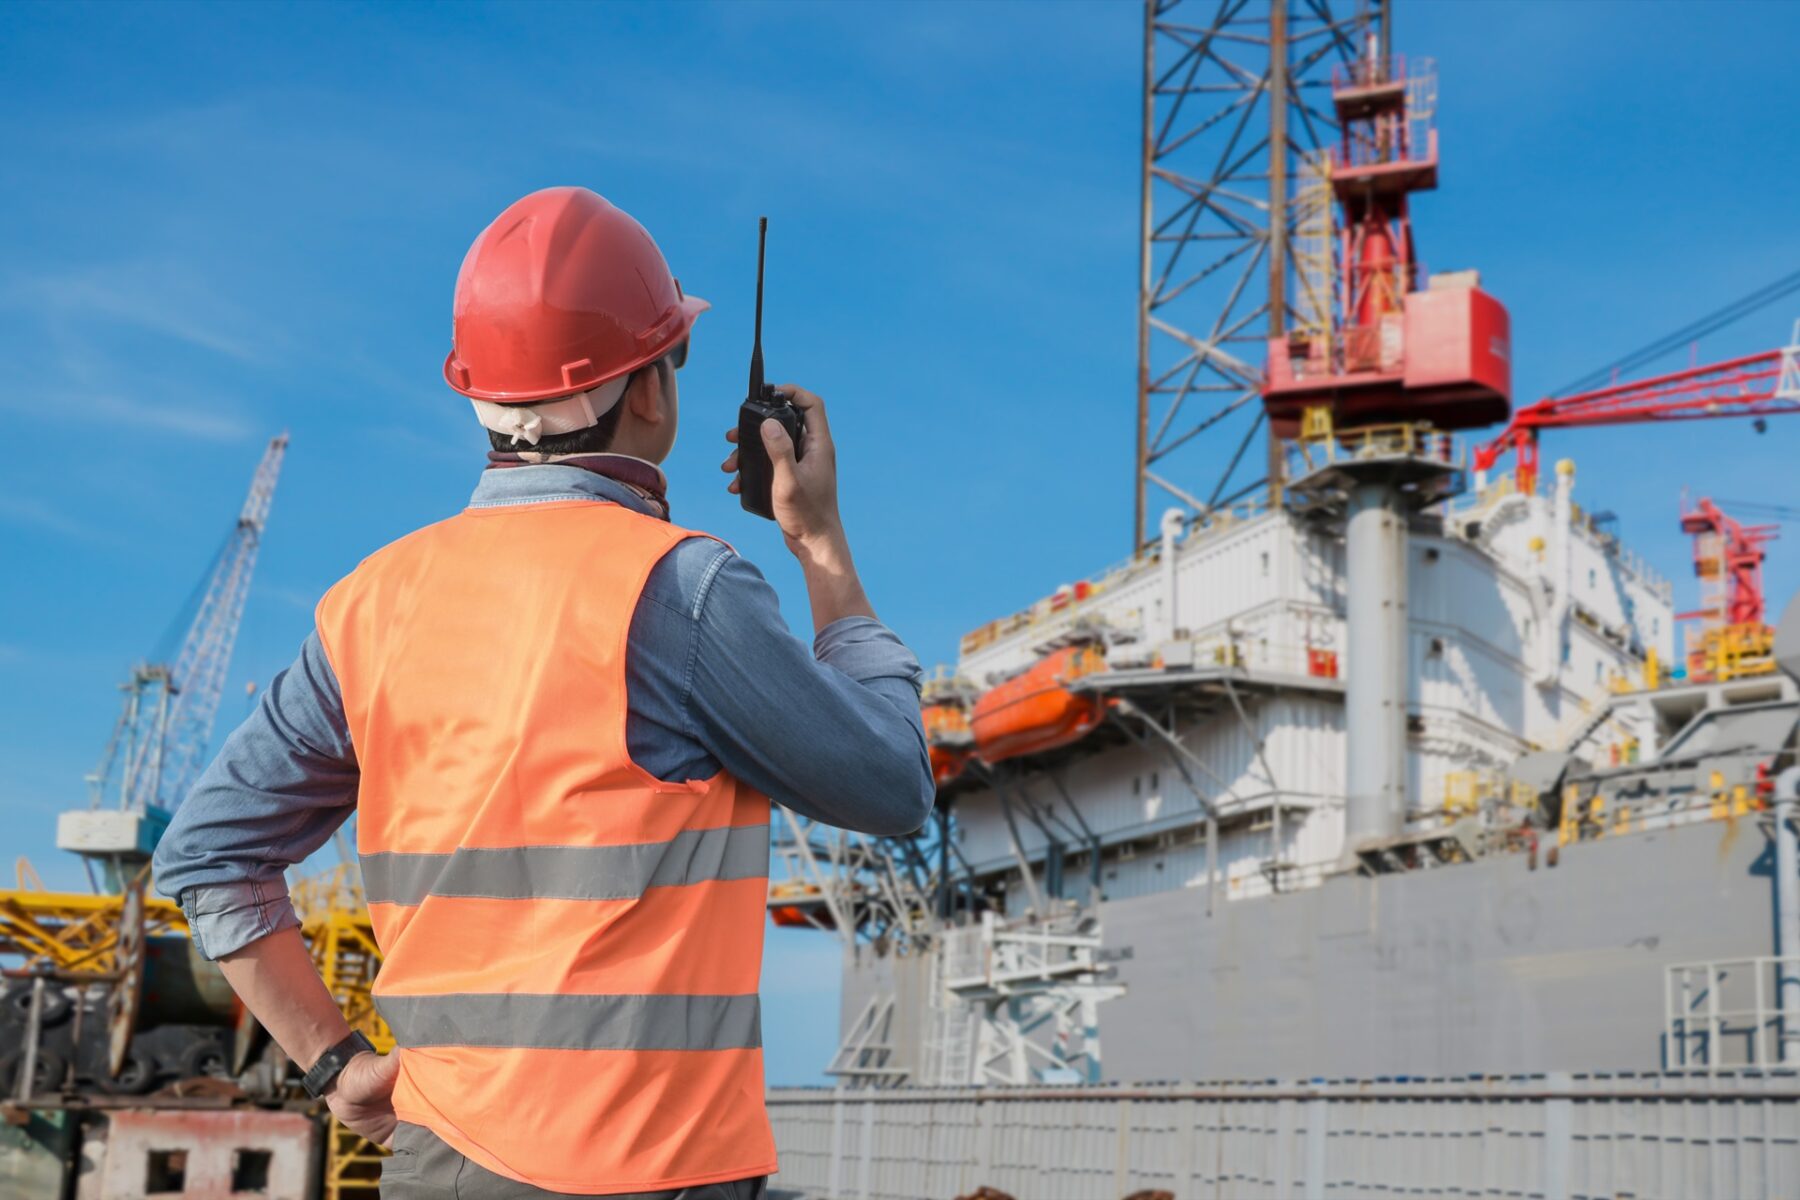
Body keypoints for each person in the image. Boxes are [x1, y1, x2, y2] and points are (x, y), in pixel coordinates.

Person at [153, 186, 934, 1199]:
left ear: (478, 394)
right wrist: (820, 545)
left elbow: (208, 855)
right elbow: (891, 785)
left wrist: (337, 1064)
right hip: (641, 1171)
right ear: (647, 389)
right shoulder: (681, 586)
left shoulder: (370, 604)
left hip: (435, 1165)